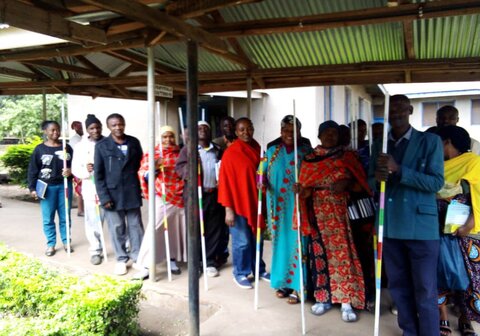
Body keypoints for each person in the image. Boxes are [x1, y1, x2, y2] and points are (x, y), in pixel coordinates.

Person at [369, 94, 444, 336]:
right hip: (390, 226)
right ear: (387, 114)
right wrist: (377, 179)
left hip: (421, 228)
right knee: (399, 287)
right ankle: (409, 331)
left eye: (402, 109)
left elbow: (436, 183)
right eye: (393, 110)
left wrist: (399, 169)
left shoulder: (429, 141)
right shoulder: (379, 144)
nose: (397, 114)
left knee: (425, 289)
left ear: (410, 110)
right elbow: (371, 181)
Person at [296, 120, 368, 322]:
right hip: (318, 215)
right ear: (318, 136)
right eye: (325, 133)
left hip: (342, 216)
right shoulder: (309, 159)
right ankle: (323, 298)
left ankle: (346, 301)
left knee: (344, 255)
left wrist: (347, 183)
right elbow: (306, 187)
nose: (330, 136)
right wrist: (301, 190)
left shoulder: (348, 157)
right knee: (320, 255)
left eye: (334, 133)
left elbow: (361, 185)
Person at [260, 115, 311, 304]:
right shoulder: (272, 151)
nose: (290, 134)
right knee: (280, 245)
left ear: (299, 132)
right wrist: (261, 181)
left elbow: (312, 176)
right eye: (286, 130)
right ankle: (283, 282)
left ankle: (299, 286)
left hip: (298, 208)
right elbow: (260, 172)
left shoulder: (306, 153)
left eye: (294, 131)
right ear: (281, 132)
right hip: (278, 210)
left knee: (298, 244)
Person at [435, 125, 480, 336]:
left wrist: (470, 223)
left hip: (462, 229)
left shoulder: (473, 162)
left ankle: (465, 316)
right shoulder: (434, 164)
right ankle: (442, 315)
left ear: (447, 142)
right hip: (435, 226)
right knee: (438, 273)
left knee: (467, 276)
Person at [218, 117, 270, 289]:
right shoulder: (231, 153)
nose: (246, 132)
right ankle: (240, 272)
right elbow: (225, 183)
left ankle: (258, 269)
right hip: (238, 204)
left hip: (256, 203)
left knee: (258, 239)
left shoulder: (258, 149)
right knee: (242, 241)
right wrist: (228, 210)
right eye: (241, 129)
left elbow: (263, 173)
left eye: (249, 128)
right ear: (236, 132)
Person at [94, 113, 144, 276]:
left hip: (131, 191)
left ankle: (137, 257)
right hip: (112, 194)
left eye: (120, 124)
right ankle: (121, 259)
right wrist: (104, 197)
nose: (118, 127)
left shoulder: (134, 142)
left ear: (124, 124)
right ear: (108, 127)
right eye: (114, 125)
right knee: (116, 228)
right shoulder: (102, 146)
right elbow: (98, 175)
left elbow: (140, 165)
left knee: (136, 226)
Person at [176, 121, 227, 278]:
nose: (203, 130)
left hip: (214, 194)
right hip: (196, 195)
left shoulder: (217, 149)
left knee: (214, 229)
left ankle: (210, 261)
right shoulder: (188, 150)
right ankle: (196, 262)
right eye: (199, 128)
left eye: (206, 127)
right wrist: (192, 166)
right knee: (195, 229)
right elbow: (180, 169)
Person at [134, 126, 186, 280]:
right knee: (155, 229)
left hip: (179, 196)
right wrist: (154, 168)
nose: (168, 140)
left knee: (173, 229)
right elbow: (143, 173)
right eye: (164, 137)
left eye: (171, 136)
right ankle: (145, 265)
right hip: (161, 196)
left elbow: (184, 171)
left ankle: (171, 259)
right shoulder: (153, 154)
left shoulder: (180, 153)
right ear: (159, 138)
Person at [27, 120, 74, 256]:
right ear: (45, 132)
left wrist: (70, 171)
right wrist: (32, 188)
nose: (55, 132)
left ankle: (66, 242)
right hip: (46, 187)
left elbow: (75, 165)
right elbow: (32, 170)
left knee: (65, 216)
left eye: (57, 130)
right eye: (52, 130)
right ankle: (51, 244)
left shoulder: (67, 147)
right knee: (48, 218)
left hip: (64, 186)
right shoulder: (40, 149)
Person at [71, 114, 105, 265]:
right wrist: (86, 169)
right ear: (87, 130)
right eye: (92, 128)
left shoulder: (107, 142)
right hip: (90, 186)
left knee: (112, 219)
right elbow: (75, 169)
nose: (95, 130)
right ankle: (96, 250)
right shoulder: (80, 147)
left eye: (98, 127)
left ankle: (121, 249)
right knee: (92, 220)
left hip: (108, 188)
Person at [70, 120, 84, 217]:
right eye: (80, 127)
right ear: (75, 128)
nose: (82, 129)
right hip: (79, 167)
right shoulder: (75, 140)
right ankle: (80, 209)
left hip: (82, 167)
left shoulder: (80, 138)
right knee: (80, 189)